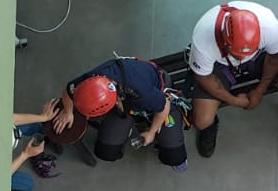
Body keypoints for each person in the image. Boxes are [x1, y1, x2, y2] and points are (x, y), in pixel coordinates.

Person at [188, 1, 278, 158]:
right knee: (202, 120)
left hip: (259, 57)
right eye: (238, 53)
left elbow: (275, 57)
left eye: (245, 52)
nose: (242, 57)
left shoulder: (270, 27)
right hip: (219, 65)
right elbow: (204, 77)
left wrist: (260, 90)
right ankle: (211, 126)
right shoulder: (203, 41)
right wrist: (234, 100)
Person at [53, 60, 188, 172]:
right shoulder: (91, 80)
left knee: (174, 156)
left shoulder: (141, 91)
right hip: (124, 104)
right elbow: (69, 89)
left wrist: (151, 132)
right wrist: (68, 111)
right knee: (106, 151)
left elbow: (164, 107)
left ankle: (158, 138)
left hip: (159, 97)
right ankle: (128, 127)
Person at [11, 101, 60, 191]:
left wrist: (43, 118)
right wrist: (25, 154)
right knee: (27, 183)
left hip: (9, 139)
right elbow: (1, 175)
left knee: (32, 126)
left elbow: (12, 119)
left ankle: (49, 137)